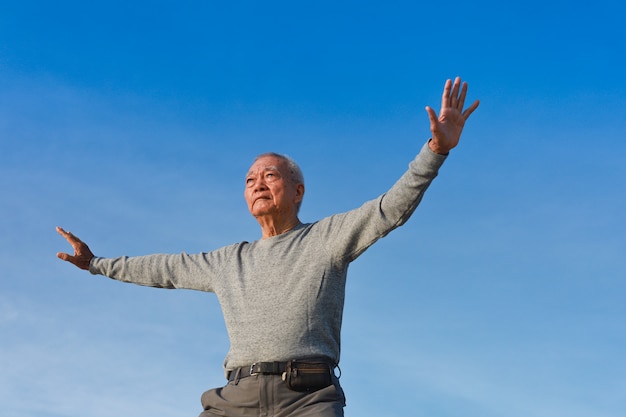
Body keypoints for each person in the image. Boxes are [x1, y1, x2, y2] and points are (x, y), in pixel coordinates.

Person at [57, 77, 479, 417]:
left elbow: (390, 209)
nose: (257, 182)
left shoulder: (327, 238)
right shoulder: (227, 262)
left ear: (297, 190)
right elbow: (164, 268)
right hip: (235, 399)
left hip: (307, 398)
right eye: (249, 179)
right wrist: (96, 263)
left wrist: (435, 151)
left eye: (270, 175)